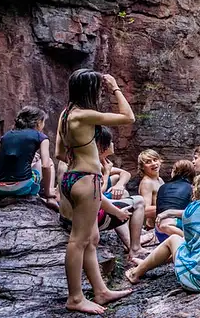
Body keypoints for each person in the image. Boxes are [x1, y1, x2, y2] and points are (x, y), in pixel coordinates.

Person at [55, 69, 134, 314]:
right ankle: (75, 298)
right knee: (78, 241)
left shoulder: (65, 115)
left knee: (91, 240)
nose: (100, 91)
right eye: (97, 88)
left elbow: (59, 153)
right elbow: (128, 117)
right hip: (87, 181)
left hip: (71, 178)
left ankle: (100, 291)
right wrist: (115, 87)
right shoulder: (85, 115)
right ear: (88, 90)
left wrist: (79, 158)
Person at [125, 171, 200, 291]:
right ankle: (147, 263)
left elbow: (188, 246)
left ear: (197, 188)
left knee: (174, 240)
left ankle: (136, 273)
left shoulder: (192, 210)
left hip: (199, 280)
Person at [92, 127, 147, 260]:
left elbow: (125, 173)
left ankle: (130, 242)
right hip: (92, 217)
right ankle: (134, 247)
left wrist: (120, 185)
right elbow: (96, 194)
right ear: (102, 145)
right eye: (110, 142)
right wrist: (106, 173)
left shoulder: (101, 162)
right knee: (139, 201)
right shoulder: (95, 165)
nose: (113, 144)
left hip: (89, 211)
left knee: (121, 188)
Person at [0, 106, 54, 200]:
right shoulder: (41, 137)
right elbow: (45, 166)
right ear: (38, 123)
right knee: (49, 162)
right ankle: (49, 194)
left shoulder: (6, 136)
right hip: (21, 187)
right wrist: (47, 193)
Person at [153, 160, 195, 242]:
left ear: (175, 171)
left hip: (159, 232)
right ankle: (191, 241)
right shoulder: (192, 188)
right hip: (176, 227)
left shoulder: (162, 187)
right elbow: (193, 213)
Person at [137, 149, 165, 226]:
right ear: (142, 167)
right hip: (153, 226)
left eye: (155, 160)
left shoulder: (160, 180)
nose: (153, 163)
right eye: (148, 162)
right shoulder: (147, 182)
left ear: (160, 161)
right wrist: (169, 208)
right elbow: (145, 210)